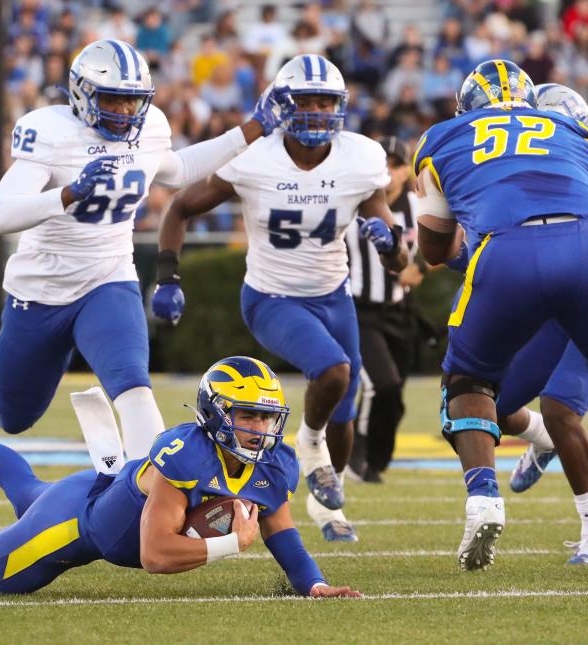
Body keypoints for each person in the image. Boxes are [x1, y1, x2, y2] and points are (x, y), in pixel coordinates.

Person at [0, 357, 361, 599]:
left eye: (266, 416)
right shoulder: (183, 455)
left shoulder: (274, 462)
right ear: (215, 415)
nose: (260, 428)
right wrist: (226, 545)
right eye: (247, 415)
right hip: (77, 528)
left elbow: (280, 526)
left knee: (24, 486)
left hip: (92, 487)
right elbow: (156, 554)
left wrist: (310, 583)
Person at [0, 39, 282, 460]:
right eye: (114, 99)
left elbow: (178, 171)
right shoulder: (50, 132)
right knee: (14, 418)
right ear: (83, 94)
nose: (124, 111)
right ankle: (1, 393)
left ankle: (151, 490)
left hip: (109, 277)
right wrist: (67, 195)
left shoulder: (150, 129)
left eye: (132, 101)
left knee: (133, 384)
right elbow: (1, 217)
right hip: (40, 289)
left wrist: (252, 129)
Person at [155, 54, 409, 541]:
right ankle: (308, 447)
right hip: (272, 298)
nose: (315, 110)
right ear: (282, 105)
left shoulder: (360, 157)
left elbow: (396, 262)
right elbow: (180, 206)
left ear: (341, 106)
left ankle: (327, 510)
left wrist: (390, 243)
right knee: (333, 371)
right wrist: (167, 276)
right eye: (305, 100)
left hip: (333, 296)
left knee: (345, 408)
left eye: (325, 101)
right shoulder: (255, 157)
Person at [414, 60, 588, 570]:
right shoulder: (570, 128)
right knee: (536, 404)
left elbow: (433, 248)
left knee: (468, 382)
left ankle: (484, 498)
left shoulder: (440, 138)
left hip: (509, 252)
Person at [344, 136, 422, 484]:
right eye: (383, 165)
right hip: (358, 309)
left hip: (399, 311)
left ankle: (376, 463)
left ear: (407, 172)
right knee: (381, 385)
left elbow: (446, 239)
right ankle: (354, 457)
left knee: (395, 396)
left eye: (396, 165)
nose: (389, 173)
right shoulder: (350, 201)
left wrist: (418, 267)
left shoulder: (417, 206)